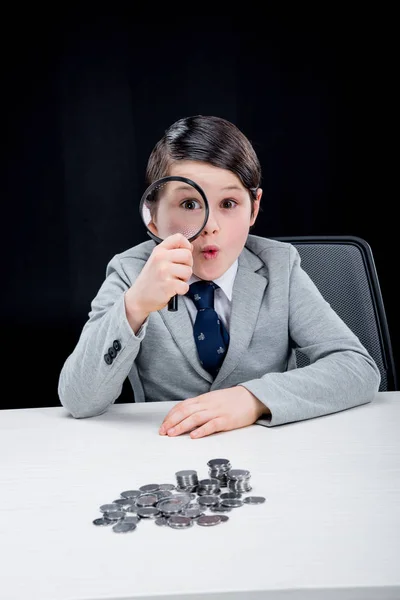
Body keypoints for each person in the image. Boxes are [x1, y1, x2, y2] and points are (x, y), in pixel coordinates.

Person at [58, 115, 380, 438]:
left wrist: (253, 399)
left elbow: (358, 368)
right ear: (152, 217)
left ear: (253, 209)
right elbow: (78, 398)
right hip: (168, 454)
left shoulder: (280, 267)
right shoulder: (131, 273)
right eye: (189, 203)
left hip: (272, 451)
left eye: (228, 203)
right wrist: (134, 307)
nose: (211, 225)